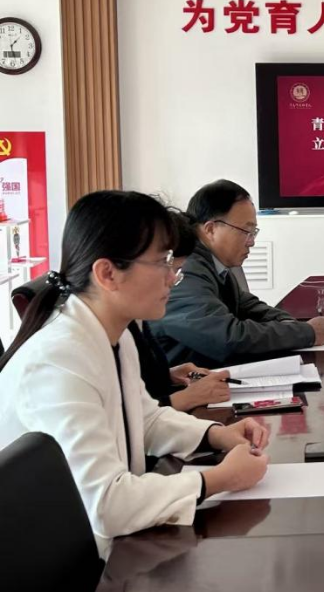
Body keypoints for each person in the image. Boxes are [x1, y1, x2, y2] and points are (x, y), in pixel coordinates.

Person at [0, 191, 270, 557]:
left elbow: (145, 419)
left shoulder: (116, 335)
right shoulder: (59, 359)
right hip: (57, 557)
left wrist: (216, 434)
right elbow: (105, 503)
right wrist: (218, 479)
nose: (174, 278)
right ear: (108, 273)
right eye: (163, 262)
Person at [151, 180, 324, 367]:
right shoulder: (186, 268)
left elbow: (246, 306)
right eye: (246, 231)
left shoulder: (212, 262)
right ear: (210, 229)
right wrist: (306, 333)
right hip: (182, 380)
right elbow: (227, 337)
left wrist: (290, 324)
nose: (251, 241)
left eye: (253, 232)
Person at [130, 210, 230, 411]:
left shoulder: (134, 321)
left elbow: (135, 387)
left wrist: (166, 375)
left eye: (176, 270)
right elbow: (125, 418)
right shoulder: (83, 344)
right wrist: (186, 398)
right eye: (165, 266)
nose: (172, 279)